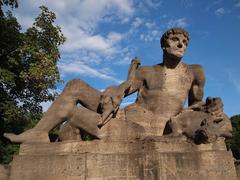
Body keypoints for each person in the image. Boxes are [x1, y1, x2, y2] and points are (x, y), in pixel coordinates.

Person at [4, 28, 225, 143]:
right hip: (127, 116)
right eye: (175, 40)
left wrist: (212, 106)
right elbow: (124, 89)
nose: (181, 44)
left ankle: (56, 132)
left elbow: (195, 106)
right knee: (75, 85)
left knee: (73, 114)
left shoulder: (195, 71)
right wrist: (113, 92)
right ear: (163, 45)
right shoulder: (146, 70)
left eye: (185, 42)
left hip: (153, 127)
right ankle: (39, 133)